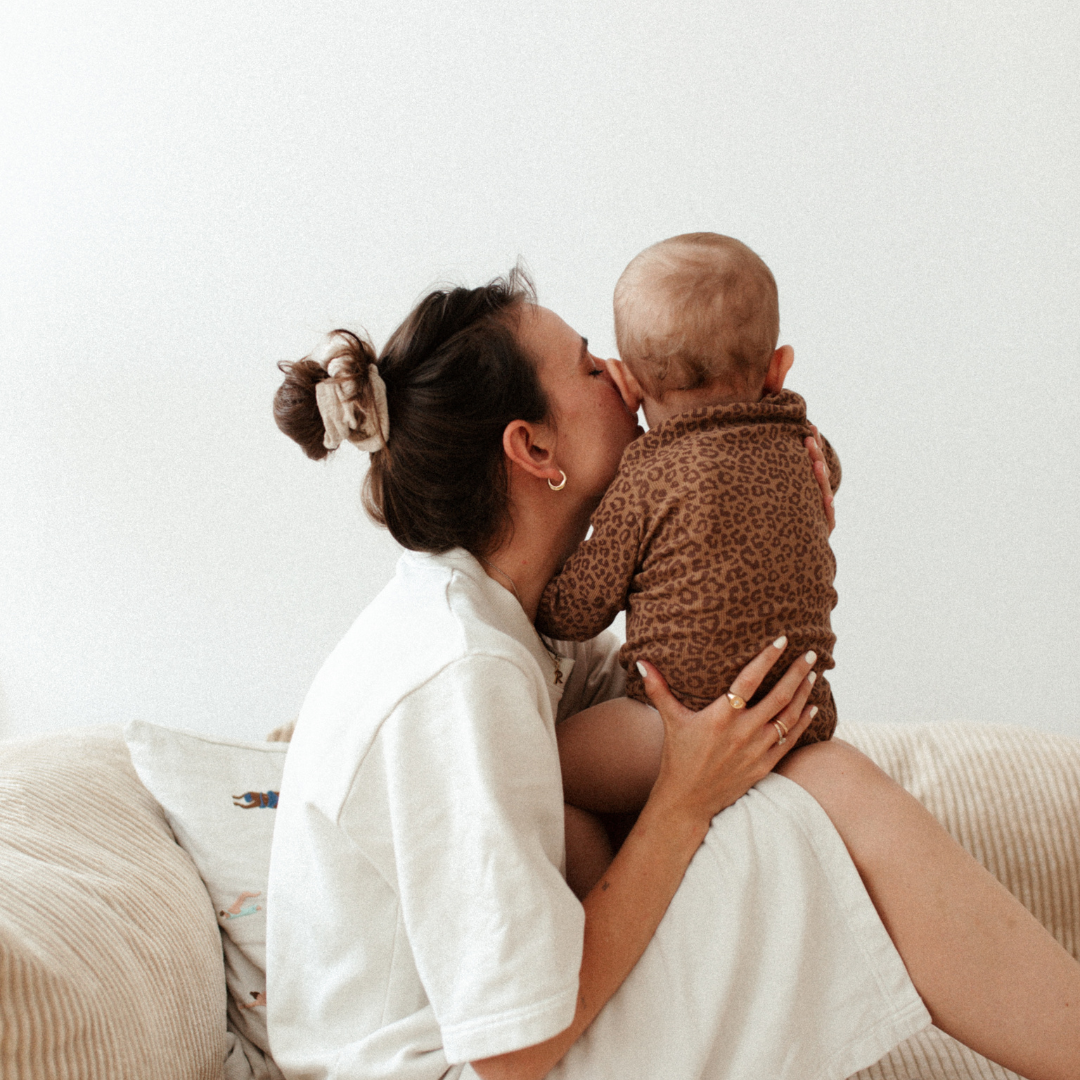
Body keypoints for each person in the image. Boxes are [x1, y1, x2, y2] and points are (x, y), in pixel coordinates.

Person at [266, 269, 1080, 1080]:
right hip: (472, 1065)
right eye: (591, 366)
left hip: (509, 1035)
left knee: (796, 780)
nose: (627, 377)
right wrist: (684, 801)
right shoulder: (459, 668)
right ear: (533, 448)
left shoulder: (503, 620)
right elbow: (512, 1053)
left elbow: (669, 721)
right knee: (835, 795)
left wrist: (757, 519)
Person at [535, 233, 840, 893]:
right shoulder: (801, 440)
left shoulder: (644, 476)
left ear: (631, 384)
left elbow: (578, 610)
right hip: (802, 717)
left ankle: (603, 890)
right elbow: (826, 473)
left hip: (678, 729)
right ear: (779, 367)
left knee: (537, 767)